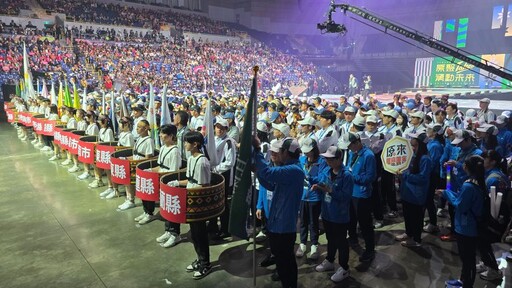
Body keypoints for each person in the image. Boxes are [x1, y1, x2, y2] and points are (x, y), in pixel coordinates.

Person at [253, 137, 305, 288]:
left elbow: (268, 172)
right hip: (277, 223)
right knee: (282, 260)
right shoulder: (289, 169)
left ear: (286, 153)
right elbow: (270, 184)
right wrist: (258, 173)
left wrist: (257, 150)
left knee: (286, 262)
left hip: (284, 225)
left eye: (280, 151)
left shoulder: (294, 170)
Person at [168, 131, 212, 279]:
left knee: (200, 234)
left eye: (187, 142)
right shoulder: (191, 158)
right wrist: (178, 183)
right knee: (194, 233)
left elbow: (204, 185)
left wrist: (189, 194)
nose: (184, 144)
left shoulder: (202, 161)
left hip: (197, 203)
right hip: (190, 199)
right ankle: (199, 259)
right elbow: (191, 179)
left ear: (195, 144)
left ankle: (205, 263)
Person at [439, 155, 486, 288]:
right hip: (468, 225)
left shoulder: (469, 186)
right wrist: (445, 192)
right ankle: (462, 280)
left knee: (468, 260)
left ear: (466, 167)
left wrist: (447, 194)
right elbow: (461, 199)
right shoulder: (476, 181)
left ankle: (467, 284)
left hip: (467, 227)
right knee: (466, 258)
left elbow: (460, 205)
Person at [313, 146, 353, 283]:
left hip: (340, 215)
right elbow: (322, 184)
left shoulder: (347, 175)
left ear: (339, 159)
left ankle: (344, 267)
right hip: (327, 213)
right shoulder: (326, 171)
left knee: (341, 241)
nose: (328, 161)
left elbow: (346, 196)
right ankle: (330, 260)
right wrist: (318, 186)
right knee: (330, 238)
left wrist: (330, 190)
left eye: (331, 159)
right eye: (327, 159)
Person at [340, 132, 377, 262]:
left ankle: (370, 250)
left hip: (362, 194)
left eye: (350, 145)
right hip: (351, 192)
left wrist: (352, 177)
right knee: (351, 219)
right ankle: (353, 239)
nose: (349, 148)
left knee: (365, 223)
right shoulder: (353, 153)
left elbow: (370, 177)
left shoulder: (368, 156)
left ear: (357, 142)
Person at [395, 132, 432, 247]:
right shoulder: (413, 156)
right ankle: (408, 233)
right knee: (407, 215)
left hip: (416, 195)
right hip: (407, 192)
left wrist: (404, 175)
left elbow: (422, 178)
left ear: (421, 145)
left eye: (414, 146)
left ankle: (416, 240)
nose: (412, 148)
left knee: (416, 218)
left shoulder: (425, 159)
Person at [296, 138, 328, 260]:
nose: (306, 154)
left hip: (315, 197)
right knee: (303, 221)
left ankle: (314, 244)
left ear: (314, 150)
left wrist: (310, 177)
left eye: (308, 151)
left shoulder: (322, 161)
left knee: (314, 222)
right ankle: (303, 243)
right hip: (303, 196)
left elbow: (322, 178)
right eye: (304, 151)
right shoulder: (301, 159)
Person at [155, 124, 183, 248]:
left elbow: (174, 171)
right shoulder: (162, 148)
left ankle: (175, 233)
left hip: (170, 182)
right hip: (162, 180)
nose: (160, 135)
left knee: (172, 208)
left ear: (171, 135)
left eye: (163, 133)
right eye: (160, 133)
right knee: (165, 207)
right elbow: (160, 165)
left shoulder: (175, 151)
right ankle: (168, 230)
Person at [209, 117, 237, 240]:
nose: (219, 129)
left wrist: (216, 169)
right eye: (217, 127)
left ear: (226, 129)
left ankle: (225, 229)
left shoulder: (229, 142)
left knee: (223, 203)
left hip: (223, 176)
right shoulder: (213, 139)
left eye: (222, 128)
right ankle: (213, 225)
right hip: (213, 175)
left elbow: (230, 162)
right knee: (213, 201)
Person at [120, 119, 155, 212]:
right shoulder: (139, 138)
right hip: (133, 163)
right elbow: (136, 154)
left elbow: (148, 158)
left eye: (139, 127)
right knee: (128, 181)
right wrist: (127, 158)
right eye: (137, 127)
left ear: (146, 128)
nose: (137, 129)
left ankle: (133, 201)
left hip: (140, 166)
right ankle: (129, 198)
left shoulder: (149, 141)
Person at [99, 116, 135, 199]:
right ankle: (113, 189)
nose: (119, 126)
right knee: (111, 171)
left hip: (124, 159)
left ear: (126, 125)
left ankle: (128, 196)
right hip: (118, 157)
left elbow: (129, 150)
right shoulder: (122, 134)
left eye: (120, 124)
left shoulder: (129, 136)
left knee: (125, 178)